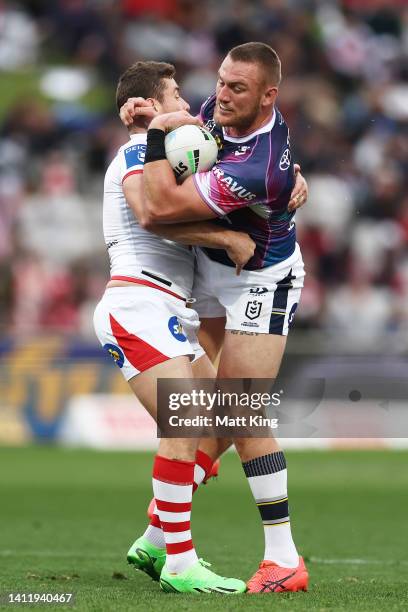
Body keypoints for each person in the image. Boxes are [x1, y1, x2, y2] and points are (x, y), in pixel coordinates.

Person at [120, 42, 309, 593]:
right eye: (221, 82)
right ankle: (160, 535)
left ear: (268, 96)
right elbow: (186, 140)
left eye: (237, 89)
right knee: (212, 410)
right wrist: (153, 116)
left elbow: (159, 208)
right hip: (209, 274)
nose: (220, 96)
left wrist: (152, 134)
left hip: (260, 277)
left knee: (242, 412)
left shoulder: (256, 167)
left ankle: (284, 559)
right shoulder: (223, 112)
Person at [93, 60, 258, 595]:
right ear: (155, 105)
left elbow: (236, 171)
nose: (189, 105)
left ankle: (157, 538)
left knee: (232, 415)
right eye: (177, 95)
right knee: (184, 426)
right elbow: (148, 214)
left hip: (170, 310)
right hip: (136, 303)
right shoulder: (138, 150)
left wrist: (293, 182)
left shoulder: (171, 154)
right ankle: (181, 562)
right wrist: (223, 239)